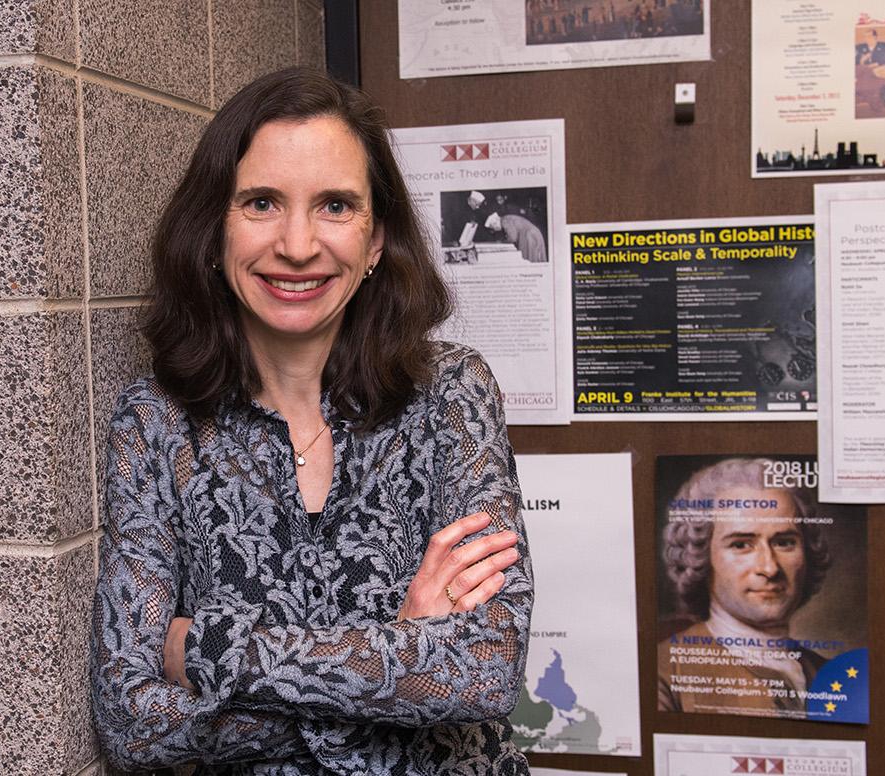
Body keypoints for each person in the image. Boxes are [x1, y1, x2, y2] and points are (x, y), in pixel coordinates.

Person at [91, 68, 534, 774]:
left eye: (334, 205)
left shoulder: (453, 391)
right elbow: (133, 725)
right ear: (214, 230)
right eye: (262, 202)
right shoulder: (156, 424)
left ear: (376, 239)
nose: (297, 245)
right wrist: (397, 653)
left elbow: (483, 672)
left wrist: (205, 647)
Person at [657, 458, 832, 717]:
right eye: (741, 545)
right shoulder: (663, 672)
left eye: (784, 542)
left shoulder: (831, 673)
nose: (770, 568)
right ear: (700, 556)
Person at [484, 211, 549, 263]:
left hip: (529, 236)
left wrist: (502, 242)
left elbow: (512, 238)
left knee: (529, 262)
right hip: (534, 233)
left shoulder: (505, 221)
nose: (495, 229)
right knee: (537, 259)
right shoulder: (506, 218)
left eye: (493, 228)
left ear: (495, 223)